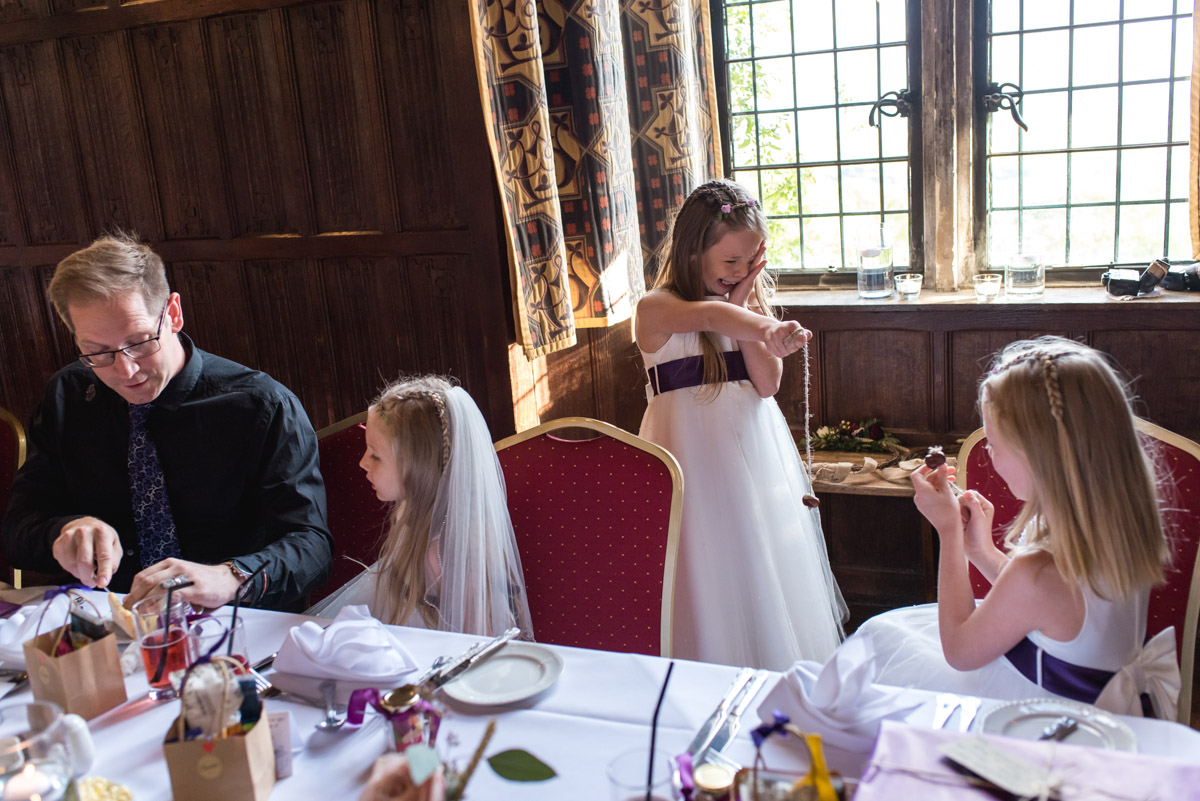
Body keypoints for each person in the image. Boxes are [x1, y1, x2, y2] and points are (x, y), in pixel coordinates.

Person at [851, 337, 1179, 718]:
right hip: (1094, 700)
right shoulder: (1118, 524)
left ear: (1037, 454)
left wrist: (949, 534)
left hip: (1039, 718)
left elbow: (959, 650)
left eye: (993, 442)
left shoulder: (1038, 571)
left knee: (878, 647)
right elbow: (1049, 611)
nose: (988, 453)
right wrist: (982, 553)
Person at [1, 233, 332, 610]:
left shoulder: (262, 405)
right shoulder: (69, 395)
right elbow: (16, 534)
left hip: (231, 622)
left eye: (140, 341)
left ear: (172, 313)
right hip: (105, 616)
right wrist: (59, 534)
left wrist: (231, 576)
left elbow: (312, 548)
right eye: (98, 353)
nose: (126, 370)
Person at [634, 178, 846, 671]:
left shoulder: (743, 310)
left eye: (750, 262)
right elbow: (709, 315)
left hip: (751, 456)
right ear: (692, 252)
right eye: (731, 263)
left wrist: (751, 303)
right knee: (700, 569)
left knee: (758, 568)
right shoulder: (658, 307)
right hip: (688, 461)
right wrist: (766, 327)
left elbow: (767, 382)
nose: (740, 272)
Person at [308, 376, 534, 638]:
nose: (362, 463)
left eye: (375, 455)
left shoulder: (442, 551)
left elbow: (483, 642)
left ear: (417, 467)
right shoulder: (414, 519)